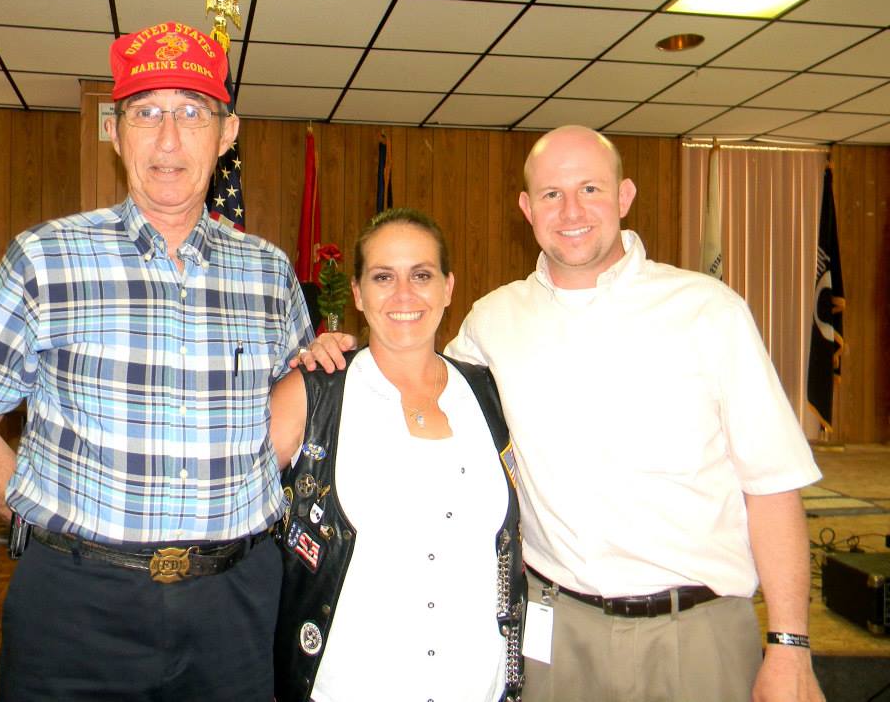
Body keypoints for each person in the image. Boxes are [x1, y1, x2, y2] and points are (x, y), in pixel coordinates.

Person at [300, 126, 825, 702]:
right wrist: (333, 354)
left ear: (624, 197)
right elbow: (413, 376)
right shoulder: (493, 322)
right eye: (551, 194)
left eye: (590, 189)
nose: (571, 210)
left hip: (695, 630)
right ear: (527, 209)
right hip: (556, 632)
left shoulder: (709, 312)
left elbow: (772, 486)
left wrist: (790, 643)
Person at [0, 20, 313, 701]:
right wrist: (33, 527)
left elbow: (289, 406)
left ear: (228, 134)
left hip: (234, 605)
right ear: (113, 129)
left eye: (193, 113)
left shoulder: (270, 274)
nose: (169, 139)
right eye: (147, 113)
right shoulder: (43, 260)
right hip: (76, 610)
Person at [269, 208, 525, 702]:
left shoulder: (487, 392)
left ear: (448, 288)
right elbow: (234, 515)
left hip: (477, 687)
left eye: (422, 275)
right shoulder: (313, 394)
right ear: (359, 294)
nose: (404, 294)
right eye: (384, 276)